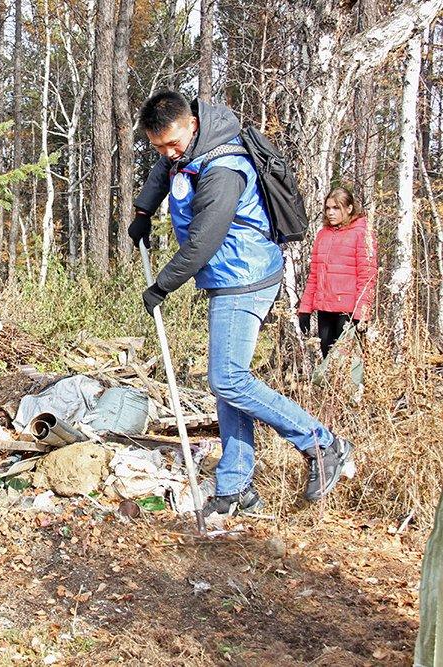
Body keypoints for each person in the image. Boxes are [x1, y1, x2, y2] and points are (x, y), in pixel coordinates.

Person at [128, 90, 354, 520]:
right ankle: (235, 488)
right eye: (159, 146)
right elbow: (165, 169)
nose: (168, 152)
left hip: (244, 274)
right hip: (229, 275)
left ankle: (323, 444)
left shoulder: (224, 167)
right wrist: (143, 210)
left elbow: (205, 240)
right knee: (228, 380)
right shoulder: (185, 146)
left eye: (173, 143)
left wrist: (163, 285)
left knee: (228, 379)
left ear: (191, 124)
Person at [298, 187, 377, 357]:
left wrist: (361, 314)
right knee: (328, 361)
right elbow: (314, 276)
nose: (330, 213)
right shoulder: (322, 235)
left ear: (349, 209)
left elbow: (367, 277)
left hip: (348, 311)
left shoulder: (362, 233)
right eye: (328, 208)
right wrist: (305, 309)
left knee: (346, 363)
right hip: (325, 309)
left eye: (336, 208)